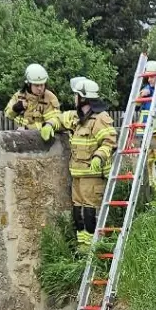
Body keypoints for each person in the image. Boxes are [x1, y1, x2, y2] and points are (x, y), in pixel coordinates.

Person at [40, 77, 116, 246]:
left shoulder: (100, 119)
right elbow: (60, 118)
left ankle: (93, 246)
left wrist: (99, 156)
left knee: (90, 212)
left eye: (76, 95)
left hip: (93, 175)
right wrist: (49, 125)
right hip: (78, 175)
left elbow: (109, 141)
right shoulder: (76, 117)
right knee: (78, 212)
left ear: (83, 98)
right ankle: (82, 245)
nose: (74, 98)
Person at [4, 63, 60, 130]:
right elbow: (8, 115)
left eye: (42, 85)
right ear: (28, 84)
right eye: (36, 85)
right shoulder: (19, 96)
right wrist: (14, 109)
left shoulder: (50, 98)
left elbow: (54, 121)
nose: (40, 88)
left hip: (42, 137)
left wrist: (28, 128)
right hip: (21, 135)